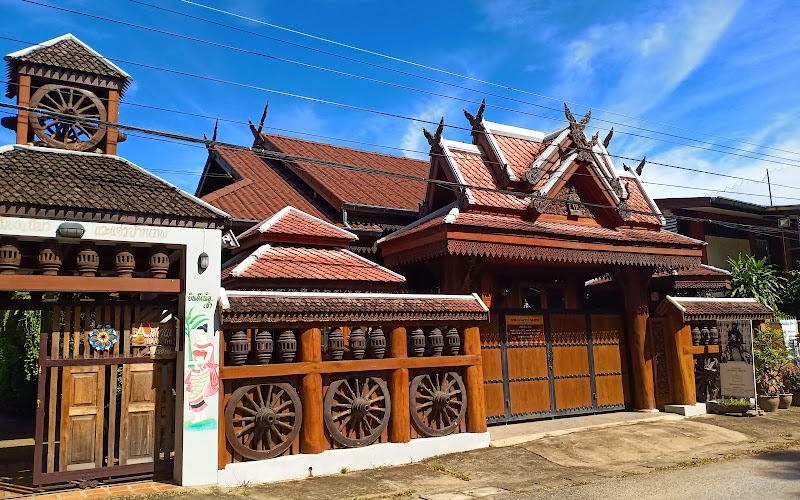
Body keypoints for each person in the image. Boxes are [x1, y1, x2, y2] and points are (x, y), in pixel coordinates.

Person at [184, 323, 219, 423]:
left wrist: (192, 362)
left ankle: (198, 417)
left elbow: (205, 361)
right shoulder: (195, 345)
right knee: (196, 393)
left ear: (205, 333)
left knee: (194, 394)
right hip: (194, 371)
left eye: (199, 333)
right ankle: (202, 415)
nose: (197, 336)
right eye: (197, 334)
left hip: (204, 371)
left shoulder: (210, 346)